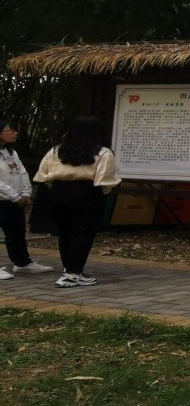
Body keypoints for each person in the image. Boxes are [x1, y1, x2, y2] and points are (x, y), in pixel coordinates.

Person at [32, 116, 121, 287]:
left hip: (58, 192)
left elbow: (43, 173)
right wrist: (102, 193)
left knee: (65, 231)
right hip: (87, 192)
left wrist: (57, 187)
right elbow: (104, 179)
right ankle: (73, 274)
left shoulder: (56, 150)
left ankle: (69, 269)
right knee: (83, 232)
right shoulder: (103, 152)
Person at [0, 120, 54, 279]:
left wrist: (26, 193)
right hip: (6, 198)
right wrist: (15, 195)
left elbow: (22, 172)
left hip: (14, 201)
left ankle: (22, 262)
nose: (14, 132)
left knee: (16, 232)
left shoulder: (11, 153)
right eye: (9, 130)